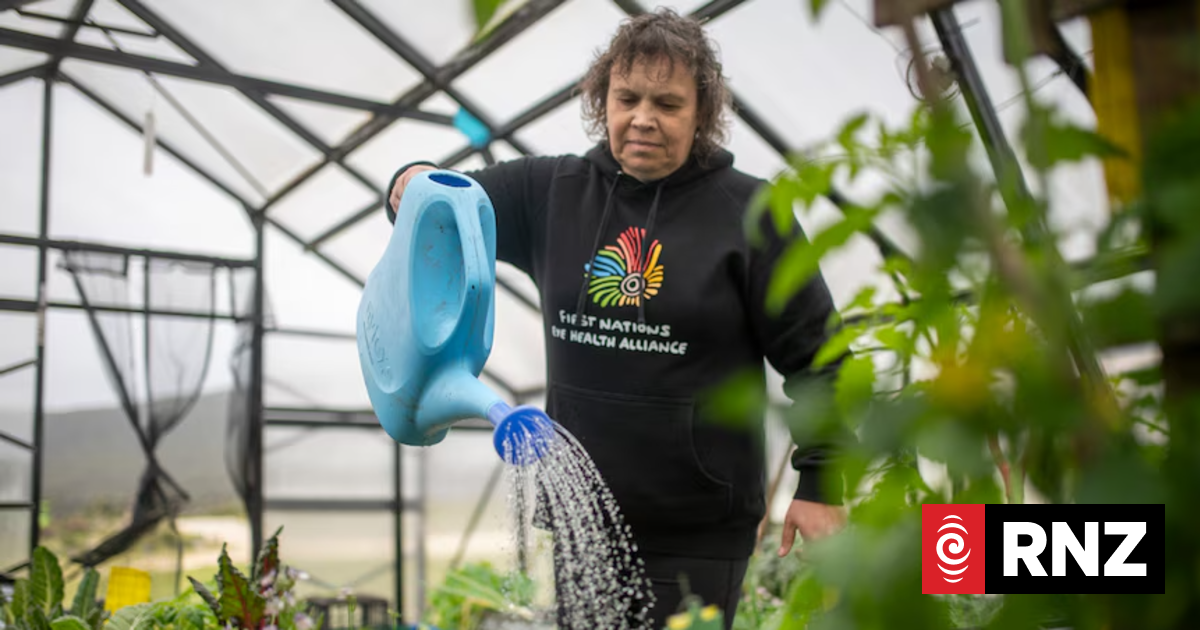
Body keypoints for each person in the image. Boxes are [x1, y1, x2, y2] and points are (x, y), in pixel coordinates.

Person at [385, 9, 851, 629]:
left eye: (668, 103)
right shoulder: (550, 192)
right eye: (626, 97)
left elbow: (821, 358)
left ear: (702, 112)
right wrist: (406, 183)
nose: (643, 118)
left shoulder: (751, 214)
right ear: (602, 97)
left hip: (698, 529)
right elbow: (445, 205)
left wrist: (821, 483)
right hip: (584, 518)